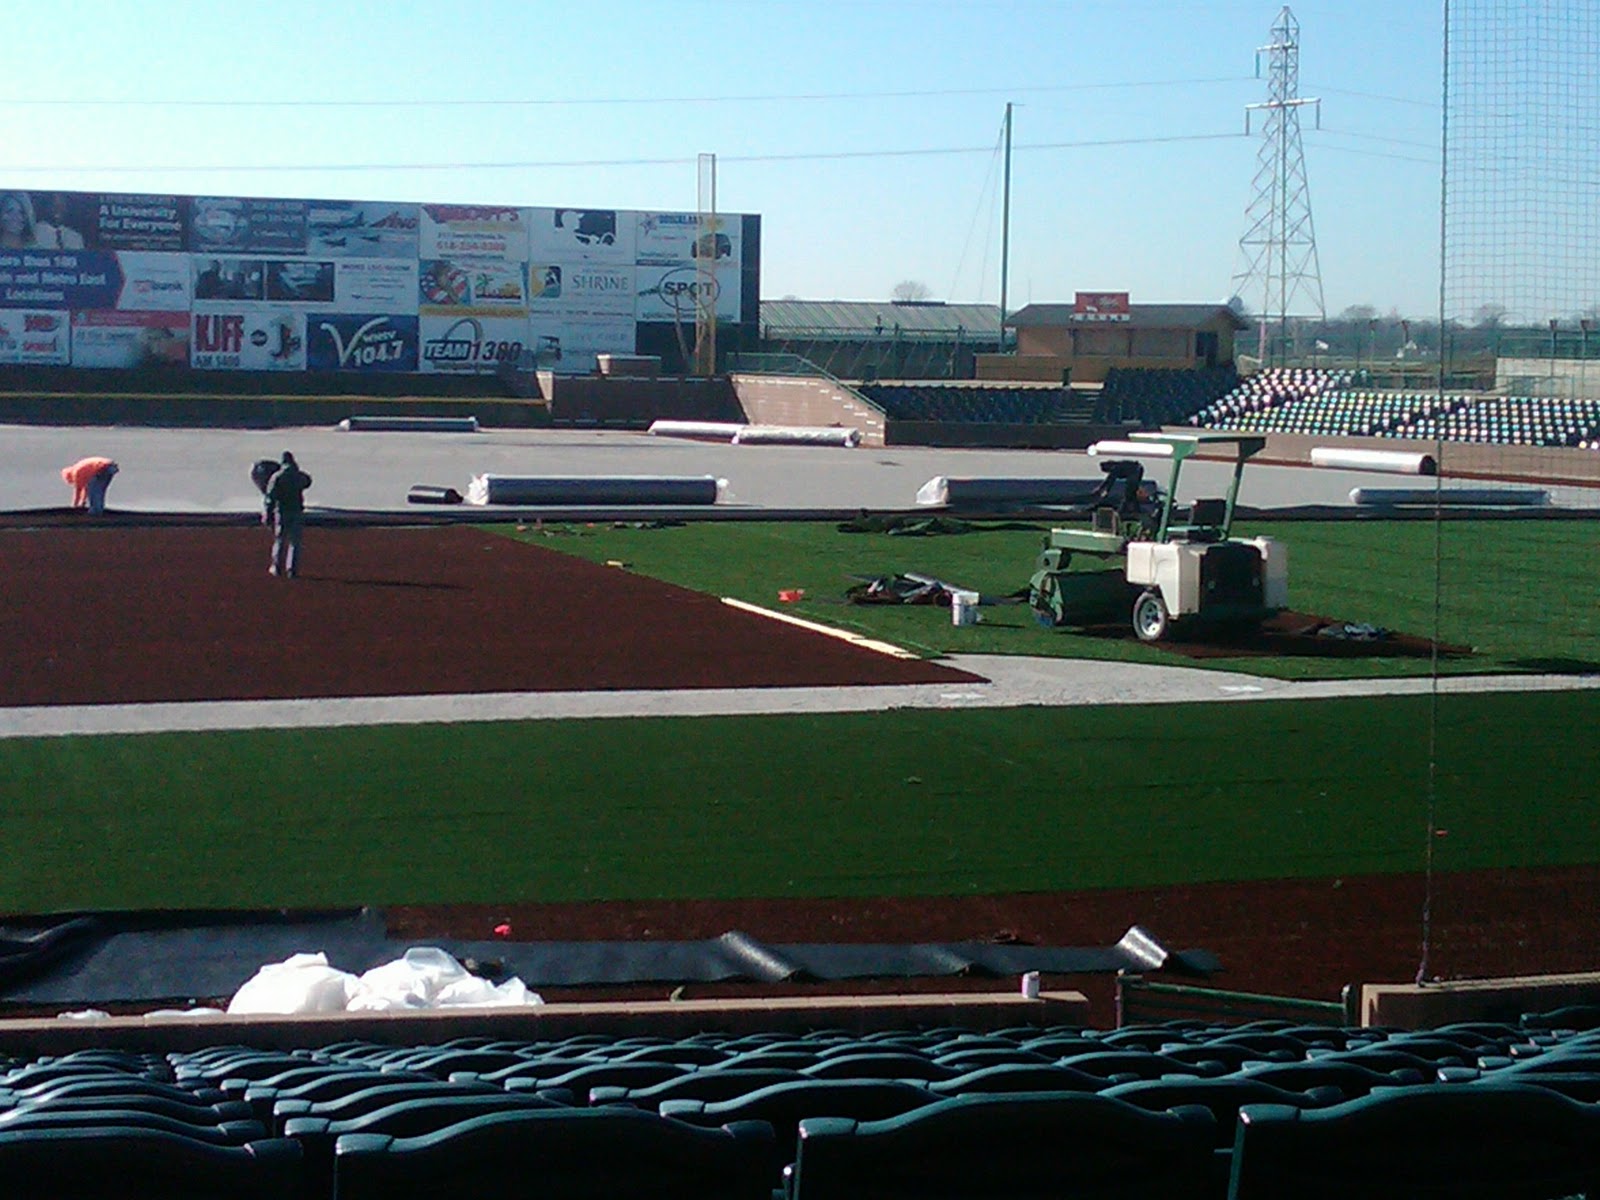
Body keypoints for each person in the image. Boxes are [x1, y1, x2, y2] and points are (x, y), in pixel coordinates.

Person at [263, 451, 313, 578]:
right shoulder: (298, 476)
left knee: (280, 540)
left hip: (282, 511)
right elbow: (307, 482)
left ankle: (277, 567)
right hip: (296, 511)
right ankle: (292, 569)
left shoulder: (277, 477)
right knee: (295, 542)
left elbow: (270, 497)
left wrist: (267, 513)